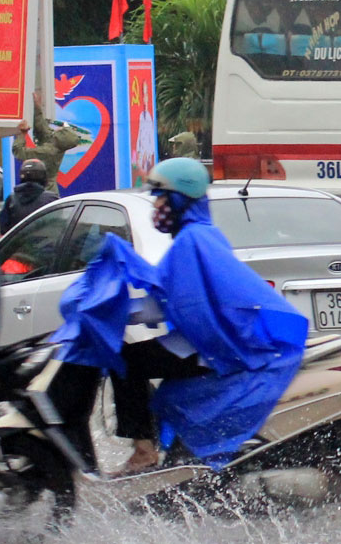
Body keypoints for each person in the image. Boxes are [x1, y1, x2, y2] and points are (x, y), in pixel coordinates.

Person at [52, 157, 307, 473]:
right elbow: (173, 295)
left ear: (179, 199)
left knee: (123, 360)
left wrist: (125, 311)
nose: (156, 206)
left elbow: (188, 305)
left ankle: (144, 452)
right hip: (211, 340)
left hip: (218, 348)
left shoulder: (192, 239)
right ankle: (162, 446)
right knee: (134, 358)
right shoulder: (199, 235)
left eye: (161, 198)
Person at [12, 91, 80, 196]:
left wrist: (22, 133)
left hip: (42, 194)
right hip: (49, 192)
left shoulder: (48, 152)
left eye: (61, 130)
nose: (57, 129)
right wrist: (36, 107)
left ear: (60, 136)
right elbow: (42, 128)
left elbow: (19, 151)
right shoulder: (57, 146)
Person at [0, 159, 58, 235]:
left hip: (18, 245)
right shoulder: (51, 199)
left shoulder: (11, 199)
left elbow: (3, 229)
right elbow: (59, 225)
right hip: (46, 245)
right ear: (44, 176)